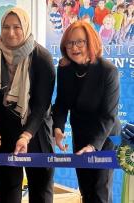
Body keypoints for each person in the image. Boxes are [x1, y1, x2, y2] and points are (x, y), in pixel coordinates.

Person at [0, 7, 55, 203]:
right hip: (3, 133)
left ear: (26, 27)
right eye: (6, 27)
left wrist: (26, 135)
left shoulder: (42, 58)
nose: (10, 32)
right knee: (6, 193)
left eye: (17, 27)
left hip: (36, 132)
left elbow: (41, 106)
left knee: (41, 192)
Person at [52, 20, 121, 203]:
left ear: (90, 42)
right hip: (80, 133)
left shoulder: (108, 71)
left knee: (100, 189)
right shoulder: (65, 69)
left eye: (79, 42)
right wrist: (57, 129)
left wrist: (93, 146)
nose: (74, 47)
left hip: (105, 137)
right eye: (69, 42)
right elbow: (61, 103)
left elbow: (109, 116)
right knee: (85, 189)